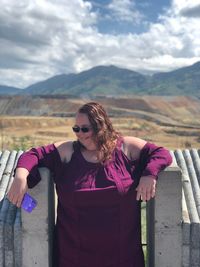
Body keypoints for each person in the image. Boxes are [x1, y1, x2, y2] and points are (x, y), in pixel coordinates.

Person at [7, 102, 172, 267]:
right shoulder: (68, 151)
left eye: (85, 129)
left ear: (101, 126)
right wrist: (20, 177)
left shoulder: (126, 148)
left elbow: (161, 153)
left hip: (123, 258)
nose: (80, 134)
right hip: (74, 259)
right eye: (76, 129)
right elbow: (33, 154)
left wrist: (150, 174)